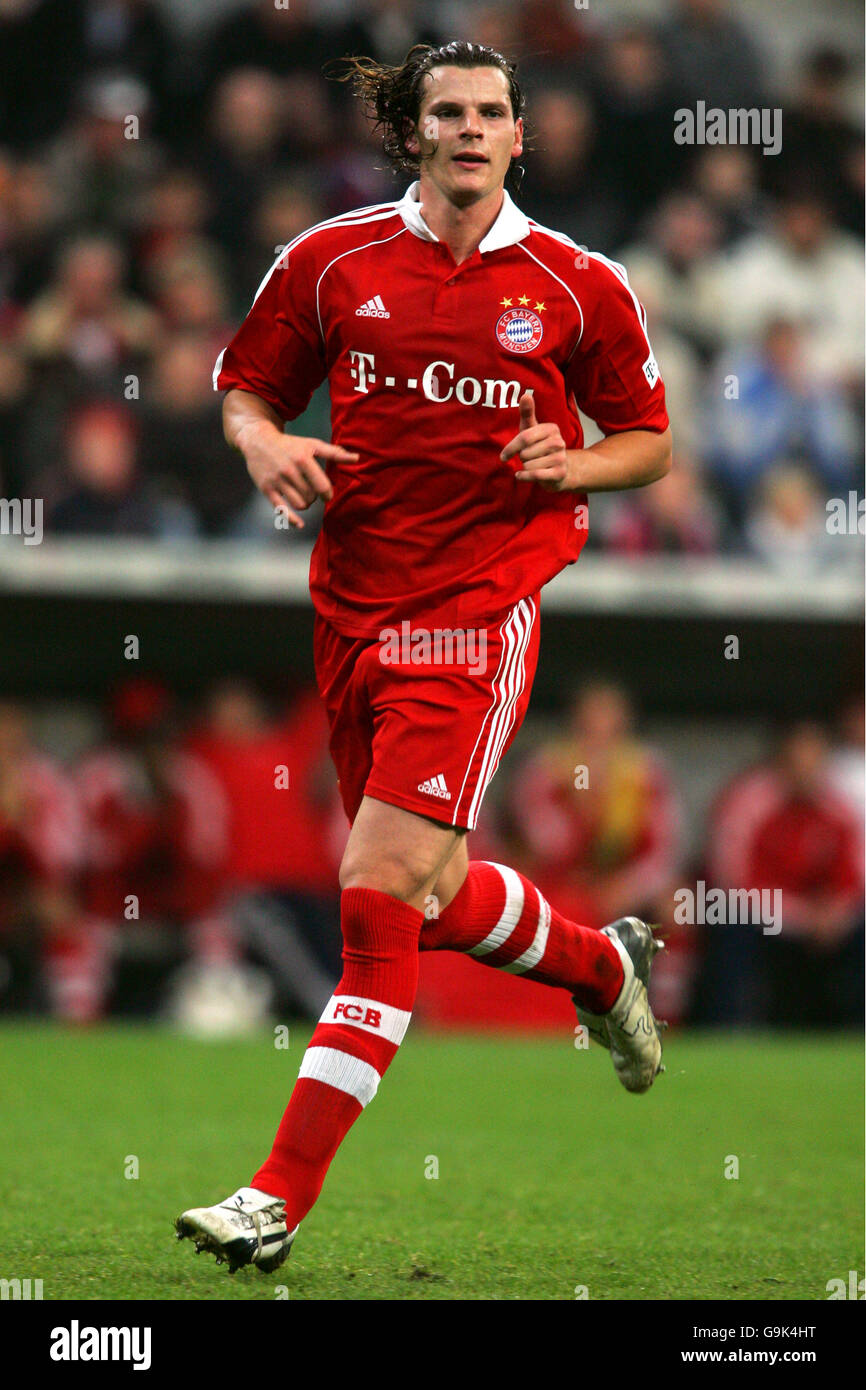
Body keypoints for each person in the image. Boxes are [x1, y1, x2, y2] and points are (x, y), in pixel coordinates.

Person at [176, 40, 672, 1276]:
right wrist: (262, 445)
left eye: (492, 112)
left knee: (378, 888)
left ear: (519, 137)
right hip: (350, 609)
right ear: (413, 133)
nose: (469, 128)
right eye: (446, 111)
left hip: (476, 611)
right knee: (434, 897)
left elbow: (647, 439)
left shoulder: (576, 284)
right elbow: (244, 388)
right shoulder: (330, 260)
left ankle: (274, 1193)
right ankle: (600, 964)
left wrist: (577, 466)